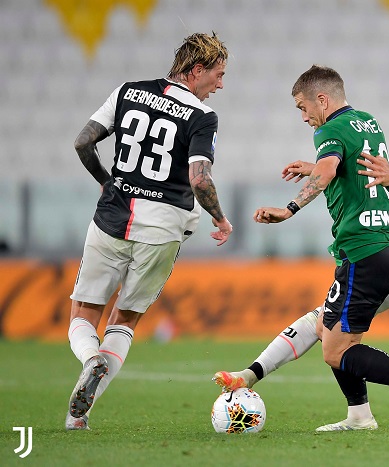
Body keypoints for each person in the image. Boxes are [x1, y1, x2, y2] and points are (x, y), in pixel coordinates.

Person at [214, 42, 389, 432]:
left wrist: (388, 175)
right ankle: (353, 412)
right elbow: (354, 165)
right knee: (329, 324)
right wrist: (323, 167)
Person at [246, 64, 389, 430]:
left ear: (322, 99)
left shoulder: (329, 128)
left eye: (303, 107)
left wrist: (289, 208)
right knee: (334, 330)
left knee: (335, 349)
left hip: (362, 249)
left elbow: (327, 172)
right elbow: (348, 166)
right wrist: (314, 165)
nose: (304, 117)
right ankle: (359, 415)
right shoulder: (367, 121)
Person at [65, 32, 233, 430]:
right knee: (125, 320)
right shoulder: (202, 115)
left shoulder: (127, 91)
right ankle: (80, 413)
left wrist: (108, 183)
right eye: (219, 74)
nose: (221, 84)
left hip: (112, 218)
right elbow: (200, 179)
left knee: (83, 315)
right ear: (196, 71)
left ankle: (91, 359)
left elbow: (83, 142)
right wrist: (220, 218)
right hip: (163, 226)